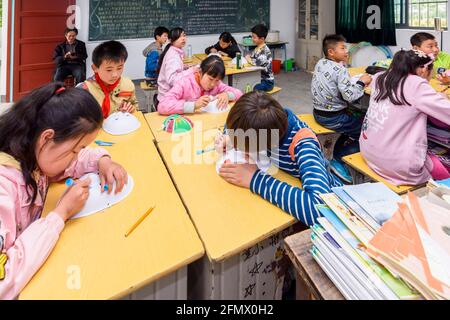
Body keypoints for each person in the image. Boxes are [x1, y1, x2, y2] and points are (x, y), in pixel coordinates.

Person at [0, 83, 128, 299]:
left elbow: (70, 163)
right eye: (75, 149)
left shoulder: (32, 155)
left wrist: (103, 160)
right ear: (47, 138)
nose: (78, 155)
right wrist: (59, 215)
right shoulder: (5, 186)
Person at [216, 91, 342, 227]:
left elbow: (321, 211)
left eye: (240, 144)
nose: (236, 147)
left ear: (266, 143)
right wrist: (227, 137)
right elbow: (235, 123)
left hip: (335, 210)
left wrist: (254, 179)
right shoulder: (266, 122)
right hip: (283, 188)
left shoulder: (303, 145)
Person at [360, 50, 450, 186]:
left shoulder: (380, 77)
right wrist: (440, 98)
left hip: (370, 151)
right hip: (395, 164)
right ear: (424, 69)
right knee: (441, 171)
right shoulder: (416, 85)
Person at [311, 34, 372, 183]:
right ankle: (339, 159)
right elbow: (350, 96)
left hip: (318, 113)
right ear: (331, 52)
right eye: (343, 48)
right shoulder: (340, 70)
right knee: (368, 131)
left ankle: (340, 146)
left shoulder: (320, 63)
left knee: (356, 115)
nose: (347, 51)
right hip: (333, 118)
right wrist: (362, 83)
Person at [158, 55, 243, 115]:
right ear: (200, 72)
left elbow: (240, 94)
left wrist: (227, 95)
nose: (213, 84)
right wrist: (194, 105)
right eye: (210, 79)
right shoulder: (185, 83)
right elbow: (162, 105)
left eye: (217, 80)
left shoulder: (218, 85)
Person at [78, 40, 138, 118]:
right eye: (109, 70)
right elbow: (76, 120)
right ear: (95, 68)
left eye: (119, 68)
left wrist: (131, 109)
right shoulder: (84, 90)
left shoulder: (127, 84)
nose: (115, 75)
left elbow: (134, 105)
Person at [156, 27, 192, 108]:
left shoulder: (174, 51)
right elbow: (172, 80)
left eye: (184, 35)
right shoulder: (173, 56)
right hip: (167, 99)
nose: (183, 39)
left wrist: (184, 68)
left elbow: (175, 69)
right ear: (171, 40)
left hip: (167, 96)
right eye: (179, 37)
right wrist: (190, 71)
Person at [245, 24, 275, 92]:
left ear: (262, 39)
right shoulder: (257, 48)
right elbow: (253, 58)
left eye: (254, 37)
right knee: (246, 84)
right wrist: (249, 57)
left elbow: (256, 63)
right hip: (258, 77)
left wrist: (248, 58)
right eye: (252, 36)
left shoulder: (265, 50)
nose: (252, 39)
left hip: (267, 82)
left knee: (254, 88)